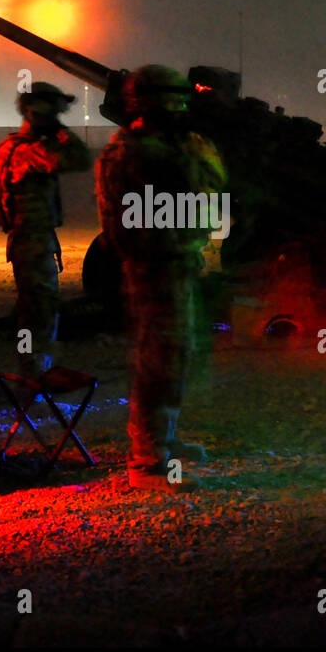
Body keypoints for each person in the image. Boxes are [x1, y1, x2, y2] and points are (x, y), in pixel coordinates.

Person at [95, 65, 226, 492]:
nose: (182, 104)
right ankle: (147, 462)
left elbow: (212, 187)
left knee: (178, 354)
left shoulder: (178, 143)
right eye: (173, 97)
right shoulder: (130, 152)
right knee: (158, 359)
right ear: (146, 101)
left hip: (180, 260)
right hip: (153, 267)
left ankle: (163, 439)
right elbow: (134, 219)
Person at [0, 82, 91, 376]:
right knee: (40, 309)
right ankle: (34, 370)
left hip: (21, 239)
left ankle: (30, 364)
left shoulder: (5, 148)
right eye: (52, 112)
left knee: (31, 306)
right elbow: (81, 159)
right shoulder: (33, 152)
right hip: (35, 239)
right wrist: (58, 130)